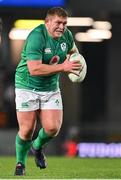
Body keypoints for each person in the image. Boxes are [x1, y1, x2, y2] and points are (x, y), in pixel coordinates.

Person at [14, 7, 81, 176]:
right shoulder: (37, 37)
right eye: (58, 23)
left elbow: (74, 53)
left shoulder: (67, 35)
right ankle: (20, 164)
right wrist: (63, 67)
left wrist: (78, 65)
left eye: (64, 23)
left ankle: (37, 147)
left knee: (52, 128)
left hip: (50, 87)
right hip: (27, 85)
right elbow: (34, 69)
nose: (62, 27)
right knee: (27, 129)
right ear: (47, 22)